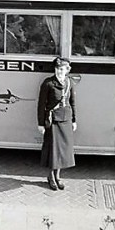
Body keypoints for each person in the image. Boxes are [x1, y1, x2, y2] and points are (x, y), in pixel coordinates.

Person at [38, 57, 77, 191]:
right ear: (55, 69)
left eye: (63, 69)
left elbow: (72, 102)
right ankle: (50, 177)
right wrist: (41, 124)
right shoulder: (48, 83)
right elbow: (41, 105)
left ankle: (58, 176)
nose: (60, 71)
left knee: (62, 151)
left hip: (65, 119)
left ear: (67, 70)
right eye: (58, 69)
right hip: (52, 120)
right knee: (53, 151)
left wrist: (74, 120)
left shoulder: (69, 83)